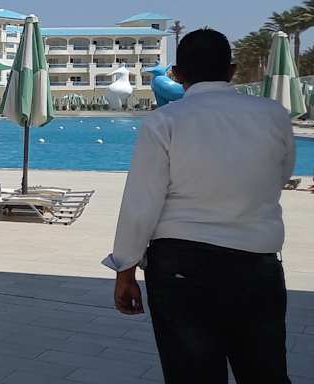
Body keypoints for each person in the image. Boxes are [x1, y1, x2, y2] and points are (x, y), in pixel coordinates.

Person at [104, 28, 292, 383]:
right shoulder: (274, 115)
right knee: (265, 374)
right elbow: (279, 177)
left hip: (181, 268)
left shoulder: (164, 120)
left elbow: (141, 203)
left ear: (176, 74)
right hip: (256, 266)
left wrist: (125, 270)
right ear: (232, 70)